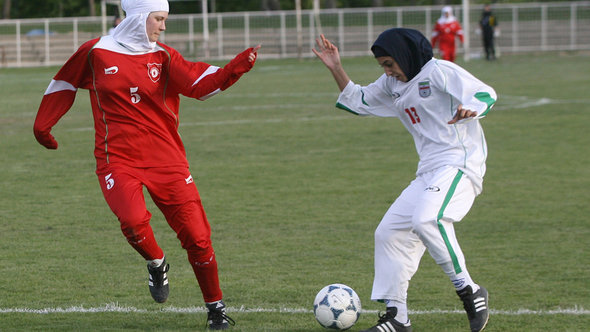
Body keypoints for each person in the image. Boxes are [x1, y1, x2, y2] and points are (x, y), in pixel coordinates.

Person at [33, 0, 260, 329]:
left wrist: (236, 67)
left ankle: (216, 308)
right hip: (117, 160)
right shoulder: (96, 52)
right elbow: (64, 83)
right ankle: (157, 263)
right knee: (133, 220)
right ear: (140, 17)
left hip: (166, 160)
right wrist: (43, 126)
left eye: (164, 19)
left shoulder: (164, 56)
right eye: (158, 19)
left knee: (198, 238)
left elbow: (200, 84)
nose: (163, 27)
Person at [313, 28, 495, 332]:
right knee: (389, 232)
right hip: (429, 170)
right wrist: (336, 68)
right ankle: (397, 316)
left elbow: (484, 93)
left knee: (428, 219)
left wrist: (471, 108)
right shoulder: (392, 84)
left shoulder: (438, 71)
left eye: (389, 63)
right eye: (383, 65)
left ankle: (470, 291)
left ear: (405, 55)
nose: (388, 71)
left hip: (460, 164)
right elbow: (358, 100)